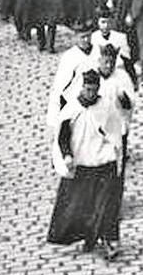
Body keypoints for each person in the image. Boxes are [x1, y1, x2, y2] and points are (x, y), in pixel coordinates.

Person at [47, 70, 126, 260]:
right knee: (80, 205)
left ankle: (108, 241)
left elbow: (115, 130)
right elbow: (63, 137)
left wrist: (116, 151)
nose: (90, 93)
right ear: (82, 88)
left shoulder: (106, 106)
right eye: (87, 89)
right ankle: (88, 236)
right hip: (82, 162)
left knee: (106, 204)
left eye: (94, 90)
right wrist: (67, 156)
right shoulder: (71, 110)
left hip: (104, 160)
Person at [47, 22, 97, 130]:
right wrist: (53, 118)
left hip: (96, 101)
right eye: (82, 37)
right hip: (76, 103)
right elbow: (59, 86)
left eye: (88, 36)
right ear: (75, 37)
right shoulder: (69, 57)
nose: (86, 40)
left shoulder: (97, 52)